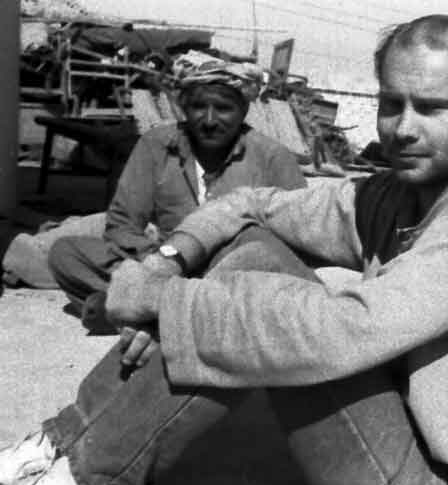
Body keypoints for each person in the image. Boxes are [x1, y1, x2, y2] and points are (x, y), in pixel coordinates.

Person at [0, 14, 448, 485]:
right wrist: (168, 260)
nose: (403, 128)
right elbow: (251, 206)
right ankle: (67, 438)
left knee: (251, 309)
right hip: (395, 423)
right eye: (391, 103)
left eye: (432, 107)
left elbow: (340, 333)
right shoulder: (394, 194)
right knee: (252, 253)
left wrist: (163, 303)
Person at [47, 53, 306, 331]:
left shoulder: (272, 157)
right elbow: (122, 224)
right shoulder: (156, 145)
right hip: (166, 264)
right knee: (66, 253)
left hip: (233, 275)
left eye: (223, 109)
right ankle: (175, 315)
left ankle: (145, 314)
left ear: (243, 111)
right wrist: (163, 260)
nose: (209, 120)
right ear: (183, 107)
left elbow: (299, 238)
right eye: (198, 107)